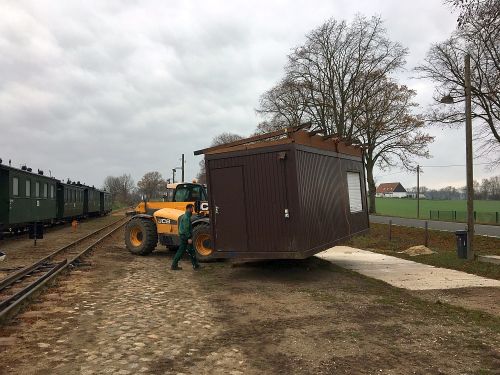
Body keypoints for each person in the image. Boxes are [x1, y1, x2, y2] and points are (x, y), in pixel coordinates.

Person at [171, 204, 200, 270]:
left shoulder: (185, 216)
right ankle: (174, 265)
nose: (193, 210)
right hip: (185, 237)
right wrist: (189, 237)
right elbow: (186, 229)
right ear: (189, 209)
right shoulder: (186, 217)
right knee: (184, 251)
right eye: (192, 208)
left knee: (188, 250)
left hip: (183, 236)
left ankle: (195, 265)